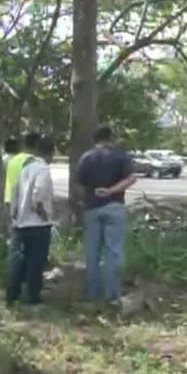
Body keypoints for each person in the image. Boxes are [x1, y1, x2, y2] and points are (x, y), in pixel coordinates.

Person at [76, 125, 137, 305]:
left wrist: (87, 197)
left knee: (92, 252)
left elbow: (79, 185)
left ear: (94, 139)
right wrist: (111, 191)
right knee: (114, 252)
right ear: (111, 138)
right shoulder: (121, 155)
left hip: (92, 208)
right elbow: (131, 178)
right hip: (115, 206)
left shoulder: (86, 157)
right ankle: (112, 295)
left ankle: (91, 294)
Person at [7, 135, 55, 306]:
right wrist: (42, 211)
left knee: (18, 259)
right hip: (37, 223)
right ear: (51, 153)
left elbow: (15, 192)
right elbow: (39, 192)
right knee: (36, 261)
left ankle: (12, 295)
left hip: (20, 222)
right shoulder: (42, 169)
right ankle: (33, 297)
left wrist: (14, 212)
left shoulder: (26, 168)